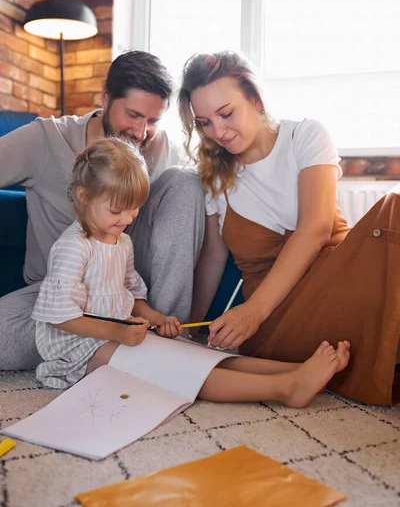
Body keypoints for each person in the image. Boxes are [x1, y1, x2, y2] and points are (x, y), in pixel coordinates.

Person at [33, 137, 351, 407]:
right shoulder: (74, 247)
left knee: (187, 351)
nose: (127, 218)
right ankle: (286, 388)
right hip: (76, 351)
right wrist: (117, 333)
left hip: (114, 337)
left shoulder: (122, 241)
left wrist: (155, 317)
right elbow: (60, 316)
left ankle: (294, 369)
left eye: (134, 209)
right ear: (84, 196)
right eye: (117, 210)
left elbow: (131, 295)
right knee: (172, 370)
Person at [178, 50, 400, 406]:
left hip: (337, 279)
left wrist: (252, 312)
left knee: (394, 210)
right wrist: (194, 325)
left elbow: (315, 229)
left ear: (256, 99)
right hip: (277, 317)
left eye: (226, 113)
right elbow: (212, 259)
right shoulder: (214, 178)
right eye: (204, 122)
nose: (217, 131)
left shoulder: (305, 136)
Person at [0, 51, 205, 371]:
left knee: (186, 182)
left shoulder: (161, 146)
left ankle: (164, 339)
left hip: (134, 295)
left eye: (152, 121)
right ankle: (121, 349)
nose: (141, 132)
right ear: (106, 97)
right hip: (63, 299)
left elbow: (196, 209)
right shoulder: (45, 139)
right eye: (134, 115)